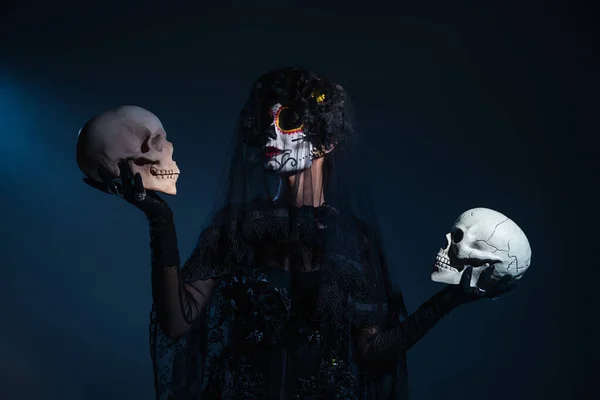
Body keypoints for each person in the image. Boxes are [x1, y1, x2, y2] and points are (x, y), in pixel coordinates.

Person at [85, 67, 518, 399]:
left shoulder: (353, 239)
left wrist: (449, 300)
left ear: (326, 141)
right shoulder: (236, 226)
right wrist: (159, 220)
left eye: (289, 120)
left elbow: (372, 351)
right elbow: (178, 323)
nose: (272, 132)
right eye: (267, 120)